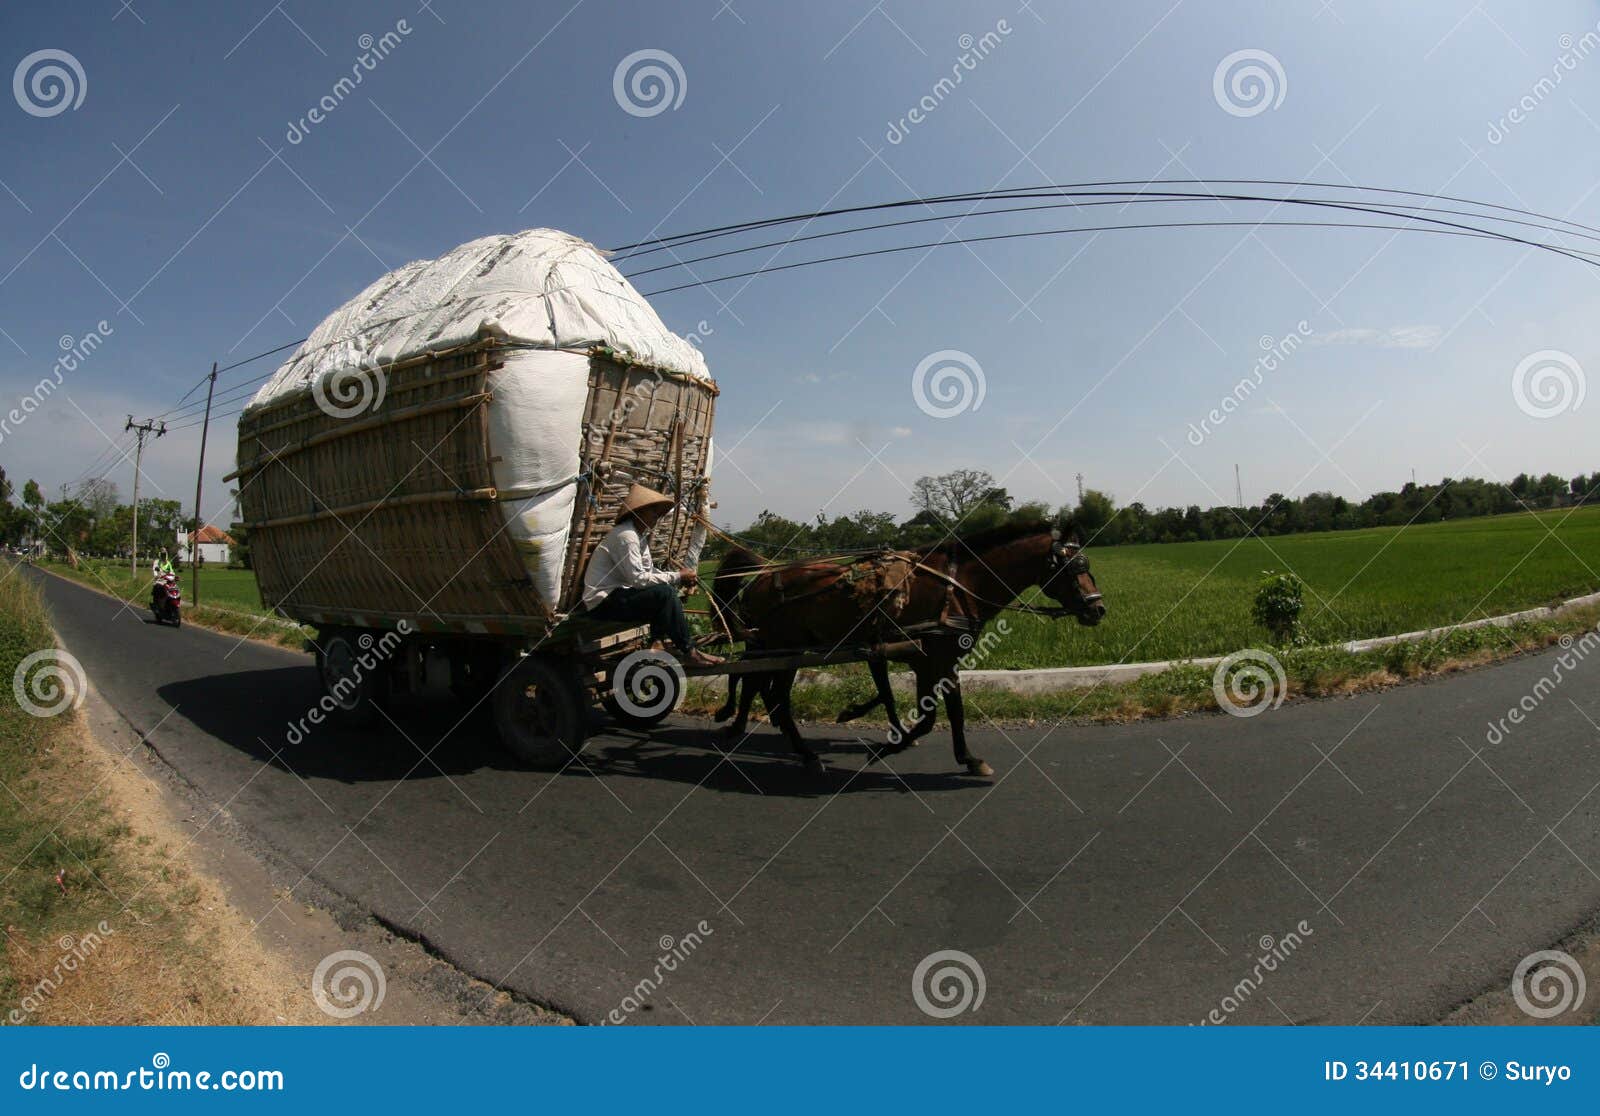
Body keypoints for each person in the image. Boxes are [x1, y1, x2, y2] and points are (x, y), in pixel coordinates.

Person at [582, 484, 722, 666]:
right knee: (665, 593)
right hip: (602, 602)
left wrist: (678, 577)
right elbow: (638, 579)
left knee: (664, 590)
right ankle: (689, 651)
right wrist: (678, 576)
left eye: (658, 512)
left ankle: (657, 642)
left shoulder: (638, 537)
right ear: (638, 512)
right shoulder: (626, 537)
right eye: (653, 512)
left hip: (618, 595)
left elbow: (649, 572)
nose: (657, 516)